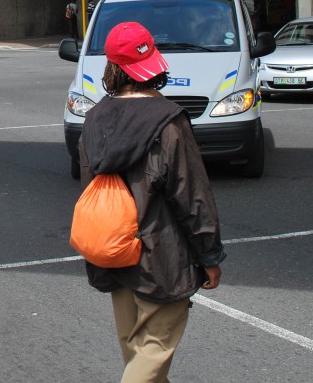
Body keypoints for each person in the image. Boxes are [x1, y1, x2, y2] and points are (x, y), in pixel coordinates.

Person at [78, 21, 224, 383]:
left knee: (141, 362)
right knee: (151, 356)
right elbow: (192, 196)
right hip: (160, 257)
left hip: (113, 252)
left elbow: (89, 185)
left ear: (112, 68)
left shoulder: (94, 119)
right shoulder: (169, 122)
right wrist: (209, 257)